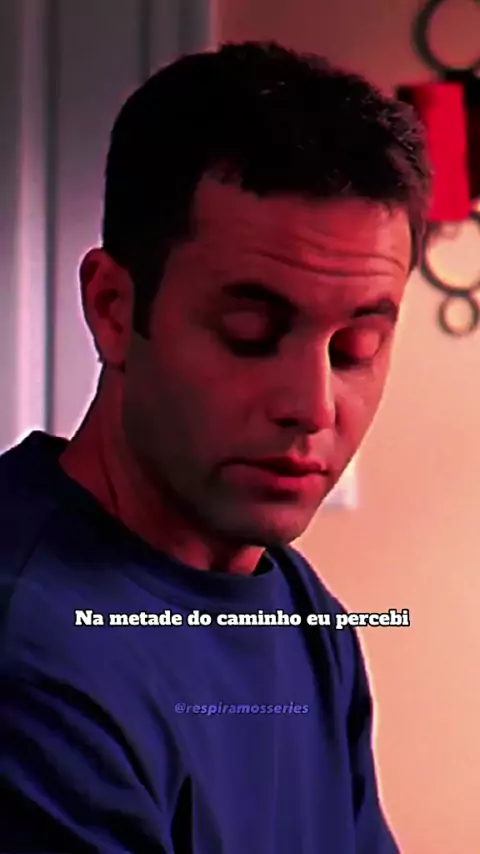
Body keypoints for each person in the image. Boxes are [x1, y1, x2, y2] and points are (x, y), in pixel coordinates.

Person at [0, 40, 430, 853]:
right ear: (113, 309)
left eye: (356, 349)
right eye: (249, 333)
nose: (311, 407)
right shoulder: (32, 662)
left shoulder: (303, 613)